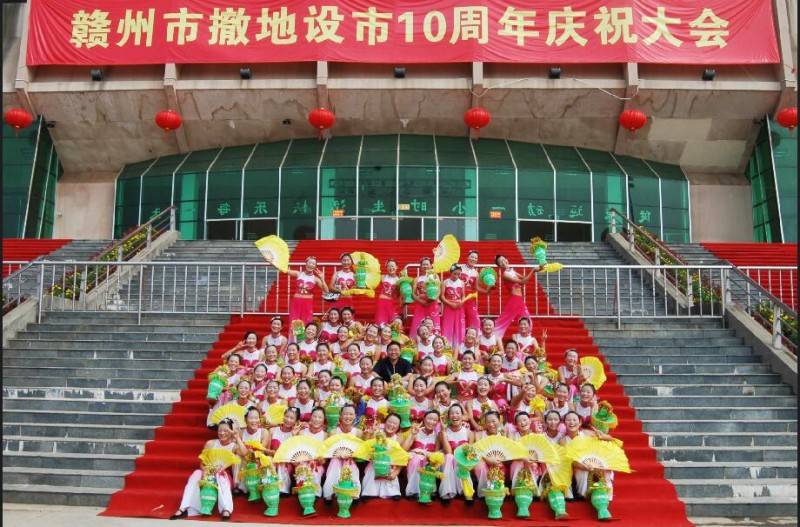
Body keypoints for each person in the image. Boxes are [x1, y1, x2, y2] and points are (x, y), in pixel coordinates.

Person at [171, 418, 247, 520]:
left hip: (223, 475)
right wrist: (205, 470)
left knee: (220, 475)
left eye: (225, 431)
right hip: (208, 473)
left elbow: (244, 453)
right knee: (196, 473)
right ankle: (183, 508)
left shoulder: (234, 446)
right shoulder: (210, 443)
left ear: (231, 432)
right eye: (220, 430)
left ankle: (226, 509)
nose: (222, 433)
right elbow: (202, 462)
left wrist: (237, 437)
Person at [322, 404, 362, 501]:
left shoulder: (358, 432)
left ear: (355, 416)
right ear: (340, 416)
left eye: (351, 414)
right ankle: (330, 493)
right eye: (345, 414)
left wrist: (351, 455)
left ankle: (353, 493)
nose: (348, 416)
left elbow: (361, 452)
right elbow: (328, 450)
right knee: (335, 462)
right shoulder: (333, 432)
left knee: (349, 464)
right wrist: (338, 455)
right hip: (335, 460)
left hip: (351, 460)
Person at [403, 410, 446, 498]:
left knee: (431, 462)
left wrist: (428, 457)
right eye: (429, 419)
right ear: (424, 419)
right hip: (413, 459)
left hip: (428, 461)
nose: (431, 422)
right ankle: (414, 491)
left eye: (435, 420)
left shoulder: (437, 436)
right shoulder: (416, 431)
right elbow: (404, 449)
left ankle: (428, 490)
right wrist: (412, 435)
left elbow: (436, 454)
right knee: (416, 459)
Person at [493, 254, 537, 339]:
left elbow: (524, 279)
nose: (503, 262)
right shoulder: (505, 274)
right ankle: (492, 339)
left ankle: (524, 342)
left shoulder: (512, 271)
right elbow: (523, 282)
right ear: (499, 266)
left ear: (507, 259)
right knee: (502, 322)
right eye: (500, 262)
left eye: (504, 259)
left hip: (520, 300)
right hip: (514, 301)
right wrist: (533, 271)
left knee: (528, 323)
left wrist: (539, 269)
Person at [361, 413, 404, 499]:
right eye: (389, 422)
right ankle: (370, 492)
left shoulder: (398, 439)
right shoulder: (377, 433)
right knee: (374, 466)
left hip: (390, 464)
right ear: (385, 422)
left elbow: (401, 457)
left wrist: (396, 472)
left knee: (389, 468)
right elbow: (366, 447)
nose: (391, 425)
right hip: (375, 461)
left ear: (398, 427)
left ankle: (392, 492)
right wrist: (370, 434)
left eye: (395, 423)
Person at [439, 403, 474, 500]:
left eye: (457, 413)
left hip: (463, 462)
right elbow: (448, 451)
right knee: (450, 457)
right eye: (452, 413)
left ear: (462, 416)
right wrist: (443, 431)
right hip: (447, 461)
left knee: (461, 458)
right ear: (448, 416)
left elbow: (470, 453)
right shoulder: (443, 432)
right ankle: (447, 491)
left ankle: (466, 491)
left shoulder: (469, 433)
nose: (454, 416)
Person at [233, 407, 271, 493]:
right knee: (237, 457)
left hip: (258, 460)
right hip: (245, 461)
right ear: (245, 419)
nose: (254, 421)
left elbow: (261, 449)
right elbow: (238, 450)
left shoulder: (264, 432)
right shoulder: (241, 432)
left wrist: (251, 452)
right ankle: (237, 485)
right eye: (251, 418)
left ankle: (262, 484)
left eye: (256, 418)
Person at [282, 256, 328, 327]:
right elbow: (285, 270)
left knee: (306, 322)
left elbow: (326, 291)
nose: (311, 265)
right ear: (306, 263)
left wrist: (322, 278)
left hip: (307, 303)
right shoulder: (298, 274)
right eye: (309, 263)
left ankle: (305, 334)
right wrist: (274, 262)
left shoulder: (315, 279)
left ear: (315, 266)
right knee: (295, 322)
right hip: (296, 302)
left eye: (313, 264)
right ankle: (296, 335)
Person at [268, 407, 302, 494]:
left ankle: (282, 489)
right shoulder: (272, 430)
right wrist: (275, 454)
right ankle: (269, 486)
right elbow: (267, 451)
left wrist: (293, 435)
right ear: (283, 416)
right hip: (273, 460)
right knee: (268, 460)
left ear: (296, 421)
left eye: (292, 418)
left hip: (287, 463)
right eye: (287, 416)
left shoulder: (297, 434)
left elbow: (296, 455)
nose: (288, 420)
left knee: (282, 462)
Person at [409, 257, 441, 338]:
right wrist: (421, 301)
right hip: (420, 305)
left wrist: (433, 299)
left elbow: (439, 290)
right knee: (418, 323)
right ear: (420, 266)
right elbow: (413, 294)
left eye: (427, 264)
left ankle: (435, 341)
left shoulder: (435, 277)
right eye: (423, 264)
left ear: (431, 266)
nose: (425, 266)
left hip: (432, 304)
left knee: (433, 324)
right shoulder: (417, 279)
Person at [461, 250, 491, 332]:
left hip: (470, 298)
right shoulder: (460, 268)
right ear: (467, 257)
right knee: (461, 319)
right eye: (472, 257)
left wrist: (487, 290)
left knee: (474, 319)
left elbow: (476, 287)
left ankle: (474, 336)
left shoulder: (475, 273)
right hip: (459, 297)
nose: (473, 259)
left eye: (475, 258)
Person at [440, 264, 466, 349]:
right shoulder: (445, 282)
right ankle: (447, 347)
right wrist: (450, 303)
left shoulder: (462, 283)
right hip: (448, 306)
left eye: (458, 274)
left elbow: (463, 295)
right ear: (450, 272)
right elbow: (442, 296)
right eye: (454, 273)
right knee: (447, 326)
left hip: (459, 306)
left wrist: (462, 302)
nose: (456, 276)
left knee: (459, 326)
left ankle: (459, 347)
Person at [375, 259, 400, 325]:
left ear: (397, 267)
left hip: (391, 304)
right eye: (389, 266)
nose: (391, 268)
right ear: (386, 267)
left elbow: (398, 295)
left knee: (392, 324)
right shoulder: (382, 277)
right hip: (381, 303)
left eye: (392, 266)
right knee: (381, 323)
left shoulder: (399, 280)